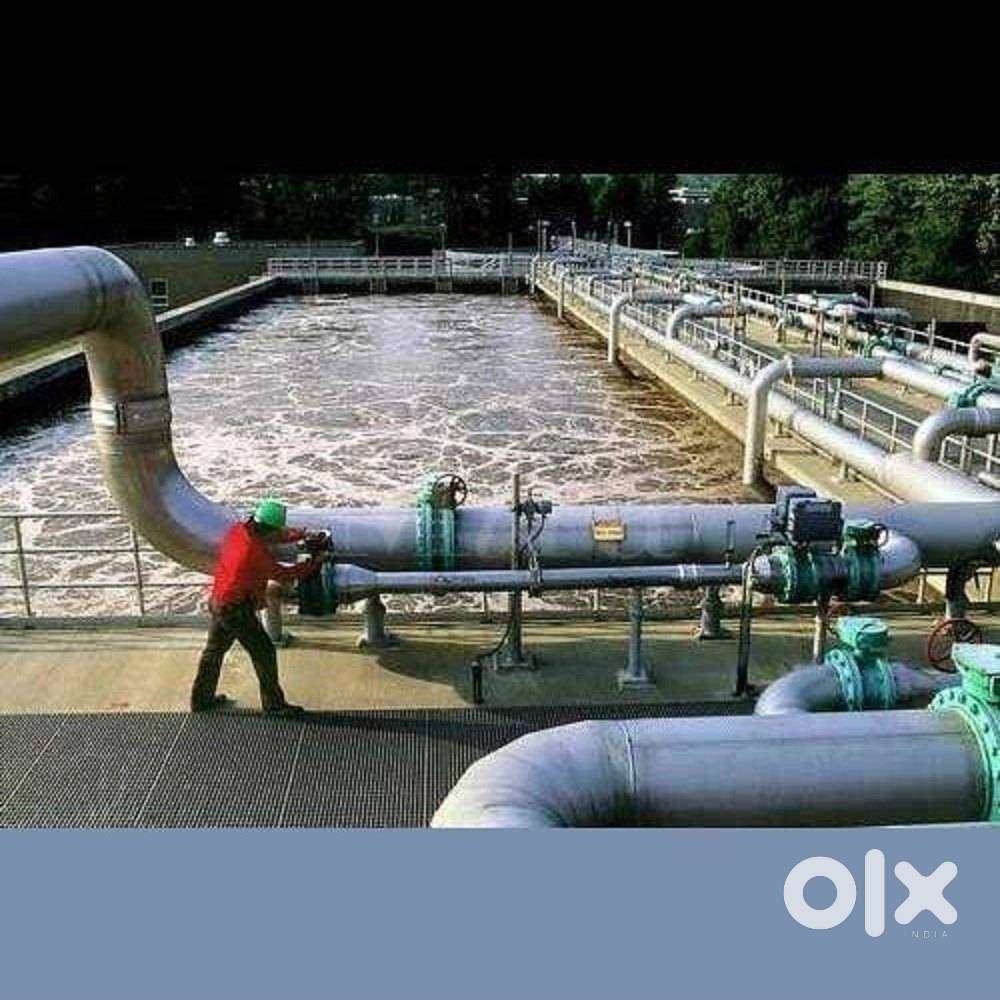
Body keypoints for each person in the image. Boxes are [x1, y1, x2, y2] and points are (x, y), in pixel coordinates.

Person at [191, 498, 329, 716]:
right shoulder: (254, 552)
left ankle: (201, 700)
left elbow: (276, 536)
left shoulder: (239, 531)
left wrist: (303, 534)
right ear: (268, 529)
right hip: (235, 610)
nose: (279, 533)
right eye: (277, 530)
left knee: (214, 652)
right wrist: (315, 563)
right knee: (264, 652)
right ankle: (274, 705)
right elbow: (284, 574)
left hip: (218, 600)